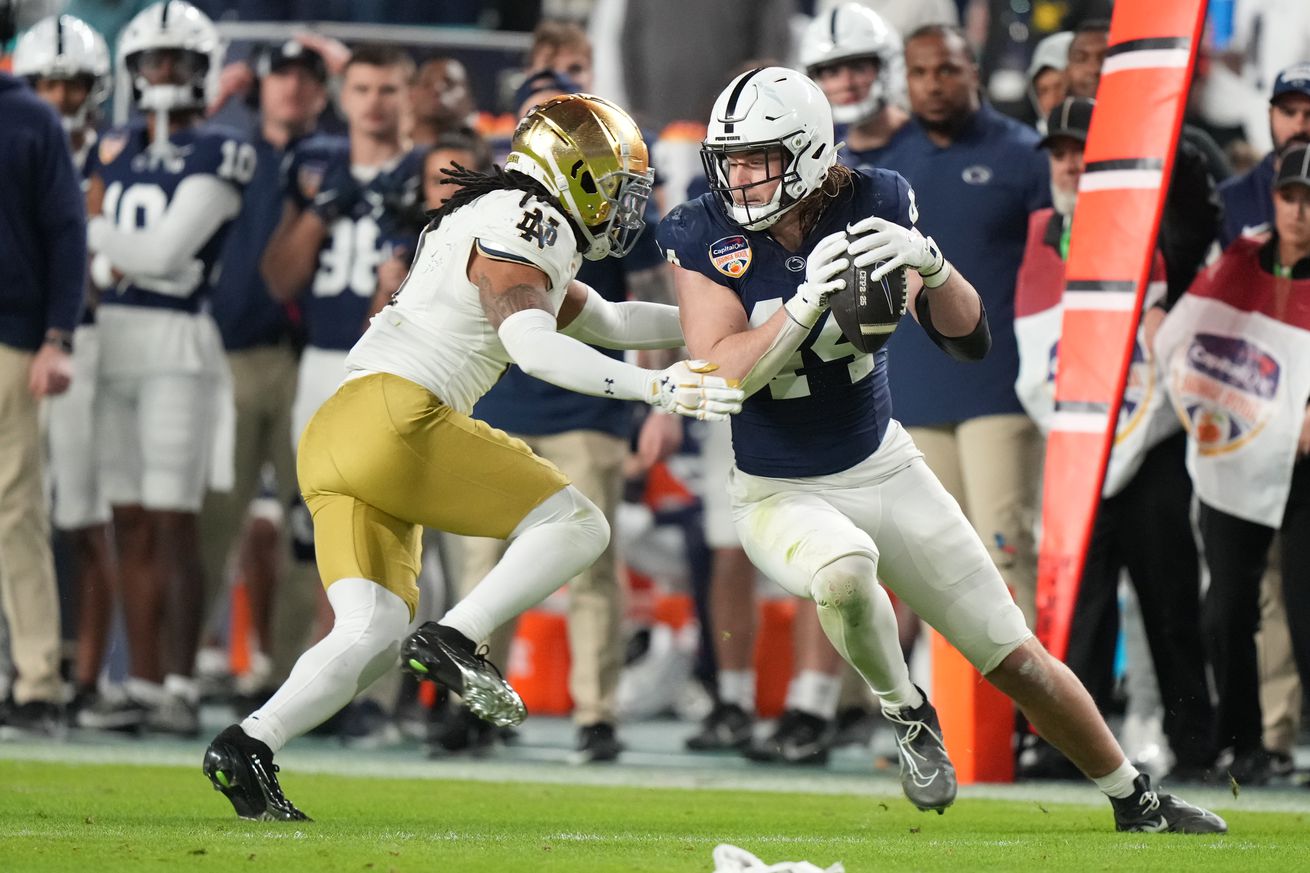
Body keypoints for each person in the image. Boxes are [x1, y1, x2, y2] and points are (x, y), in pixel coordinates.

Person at [659, 64, 1225, 832]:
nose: (739, 179)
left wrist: (931, 261)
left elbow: (968, 339)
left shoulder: (876, 199)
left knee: (1014, 653)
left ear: (810, 151)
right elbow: (723, 373)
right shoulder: (701, 231)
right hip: (778, 489)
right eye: (731, 161)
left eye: (759, 159)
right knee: (844, 571)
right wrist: (805, 303)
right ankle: (907, 711)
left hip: (884, 466)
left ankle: (1138, 799)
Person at [202, 93, 744, 820]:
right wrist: (657, 387)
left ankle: (248, 745)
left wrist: (728, 322)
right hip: (397, 418)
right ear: (574, 174)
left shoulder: (497, 215)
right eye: (616, 185)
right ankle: (457, 635)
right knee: (579, 524)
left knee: (371, 629)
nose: (625, 205)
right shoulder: (531, 219)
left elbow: (611, 320)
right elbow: (534, 347)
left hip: (338, 433)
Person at [1013, 96, 1216, 782]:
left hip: (1150, 446)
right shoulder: (1039, 235)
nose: (1071, 165)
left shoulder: (1153, 225)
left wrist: (1163, 133)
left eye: (1084, 151)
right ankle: (1070, 747)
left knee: (1171, 606)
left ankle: (1195, 746)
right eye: (1061, 153)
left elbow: (1200, 217)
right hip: (1075, 450)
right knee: (1079, 608)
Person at [77, 0, 253, 735]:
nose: (165, 72)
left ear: (204, 68)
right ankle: (144, 682)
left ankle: (181, 683)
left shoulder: (221, 148)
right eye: (154, 60)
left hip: (178, 341)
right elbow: (125, 258)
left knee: (175, 518)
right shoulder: (109, 144)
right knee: (128, 518)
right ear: (132, 69)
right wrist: (107, 253)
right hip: (110, 339)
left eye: (179, 60)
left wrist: (92, 228)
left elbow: (165, 253)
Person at [873, 25, 1049, 627]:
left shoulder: (1025, 155)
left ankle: (1035, 690)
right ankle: (958, 694)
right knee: (940, 568)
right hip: (915, 392)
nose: (933, 84)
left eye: (946, 69)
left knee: (1006, 553)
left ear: (973, 70)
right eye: (919, 72)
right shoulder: (884, 165)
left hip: (1001, 389)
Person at [1155, 141, 1310, 786]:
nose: (1299, 212)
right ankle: (1242, 747)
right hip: (1237, 453)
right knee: (1225, 611)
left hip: (1303, 470)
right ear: (1273, 197)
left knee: (1304, 611)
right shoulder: (1238, 257)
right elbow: (1185, 335)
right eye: (1290, 197)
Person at [197, 38, 330, 704]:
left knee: (308, 526)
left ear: (324, 92)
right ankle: (185, 665)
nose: (294, 88)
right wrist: (215, 100)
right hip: (231, 355)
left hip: (309, 362)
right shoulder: (225, 150)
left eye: (308, 78)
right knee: (213, 519)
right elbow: (160, 152)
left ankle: (286, 676)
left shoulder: (336, 159)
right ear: (260, 86)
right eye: (282, 76)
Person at [10, 13, 115, 718]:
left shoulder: (43, 128)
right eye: (49, 82)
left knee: (52, 510)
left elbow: (72, 238)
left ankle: (62, 675)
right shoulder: (28, 130)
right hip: (28, 336)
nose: (60, 96)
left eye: (72, 83)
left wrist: (58, 332)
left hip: (48, 341)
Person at [0, 10, 86, 738]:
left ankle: (36, 682)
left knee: (15, 510)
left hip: (9, 338)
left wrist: (56, 336)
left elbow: (66, 230)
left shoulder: (29, 117)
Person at [800, 2, 908, 167]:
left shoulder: (931, 138)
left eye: (859, 68)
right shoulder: (818, 151)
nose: (847, 84)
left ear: (885, 68)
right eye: (832, 72)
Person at [1218, 65, 1310, 248]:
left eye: (1309, 114)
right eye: (1288, 112)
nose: (1298, 127)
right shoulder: (1229, 199)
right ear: (1270, 114)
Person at [407, 56, 476, 148]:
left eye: (449, 83)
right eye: (427, 84)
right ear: (412, 96)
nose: (437, 88)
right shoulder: (394, 149)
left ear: (468, 97)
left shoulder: (490, 141)